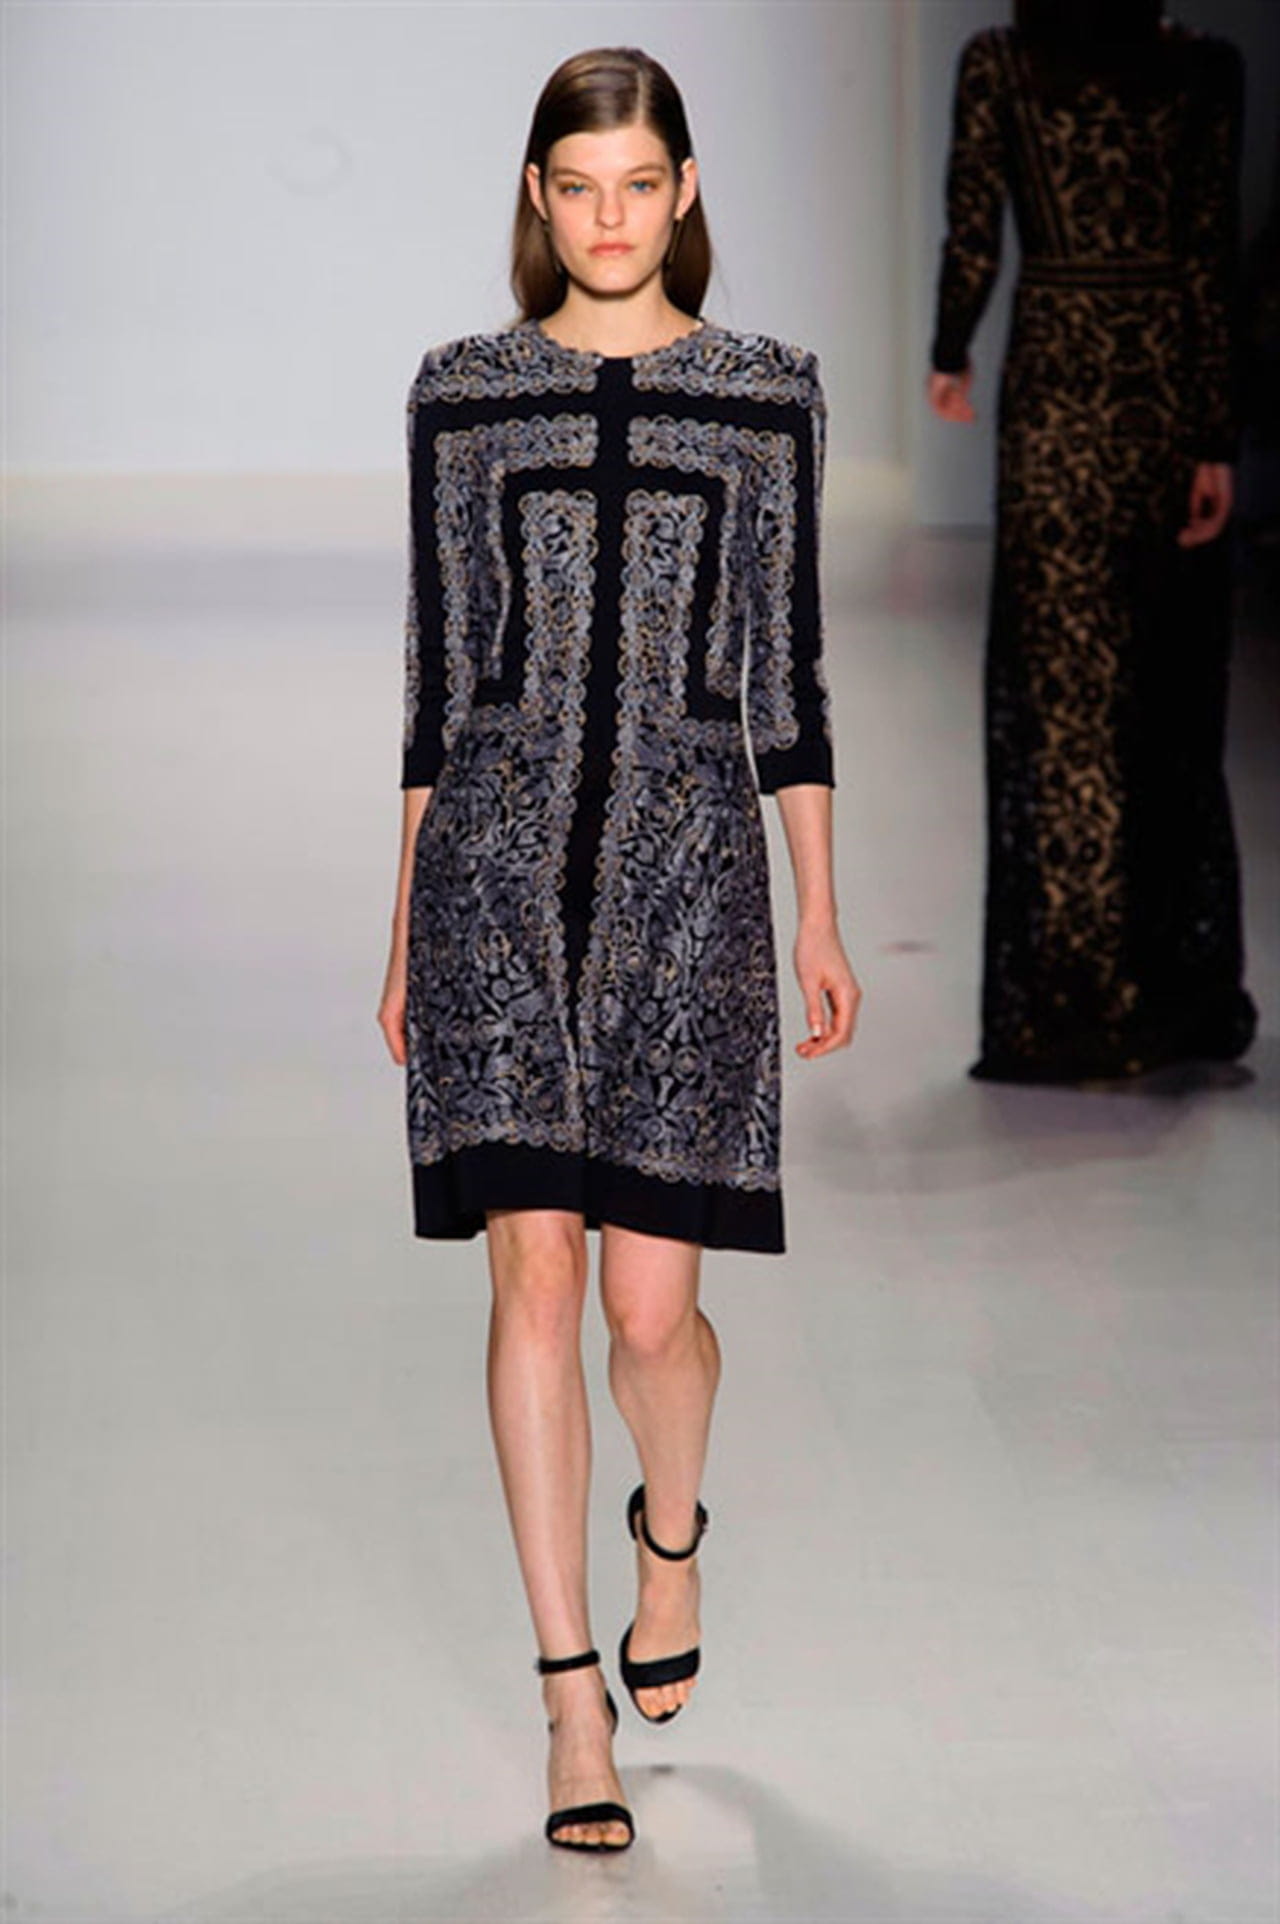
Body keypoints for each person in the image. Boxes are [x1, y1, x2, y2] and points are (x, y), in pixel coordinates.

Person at [377, 47, 859, 1853]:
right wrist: (402, 926)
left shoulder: (765, 395)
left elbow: (788, 676)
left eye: (638, 183)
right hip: (494, 883)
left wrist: (819, 907)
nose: (607, 217)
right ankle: (570, 1696)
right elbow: (438, 681)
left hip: (691, 887)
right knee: (535, 1285)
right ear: (537, 195)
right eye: (577, 186)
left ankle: (671, 1535)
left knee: (654, 1312)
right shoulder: (461, 396)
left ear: (684, 188)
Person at [928, 0, 1258, 1084]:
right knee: (1162, 697)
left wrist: (949, 349)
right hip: (1161, 392)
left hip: (1059, 391)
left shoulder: (1001, 65)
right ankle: (1164, 987)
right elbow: (1209, 260)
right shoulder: (1202, 72)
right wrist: (1213, 438)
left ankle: (1073, 996)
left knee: (1064, 692)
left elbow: (973, 228)